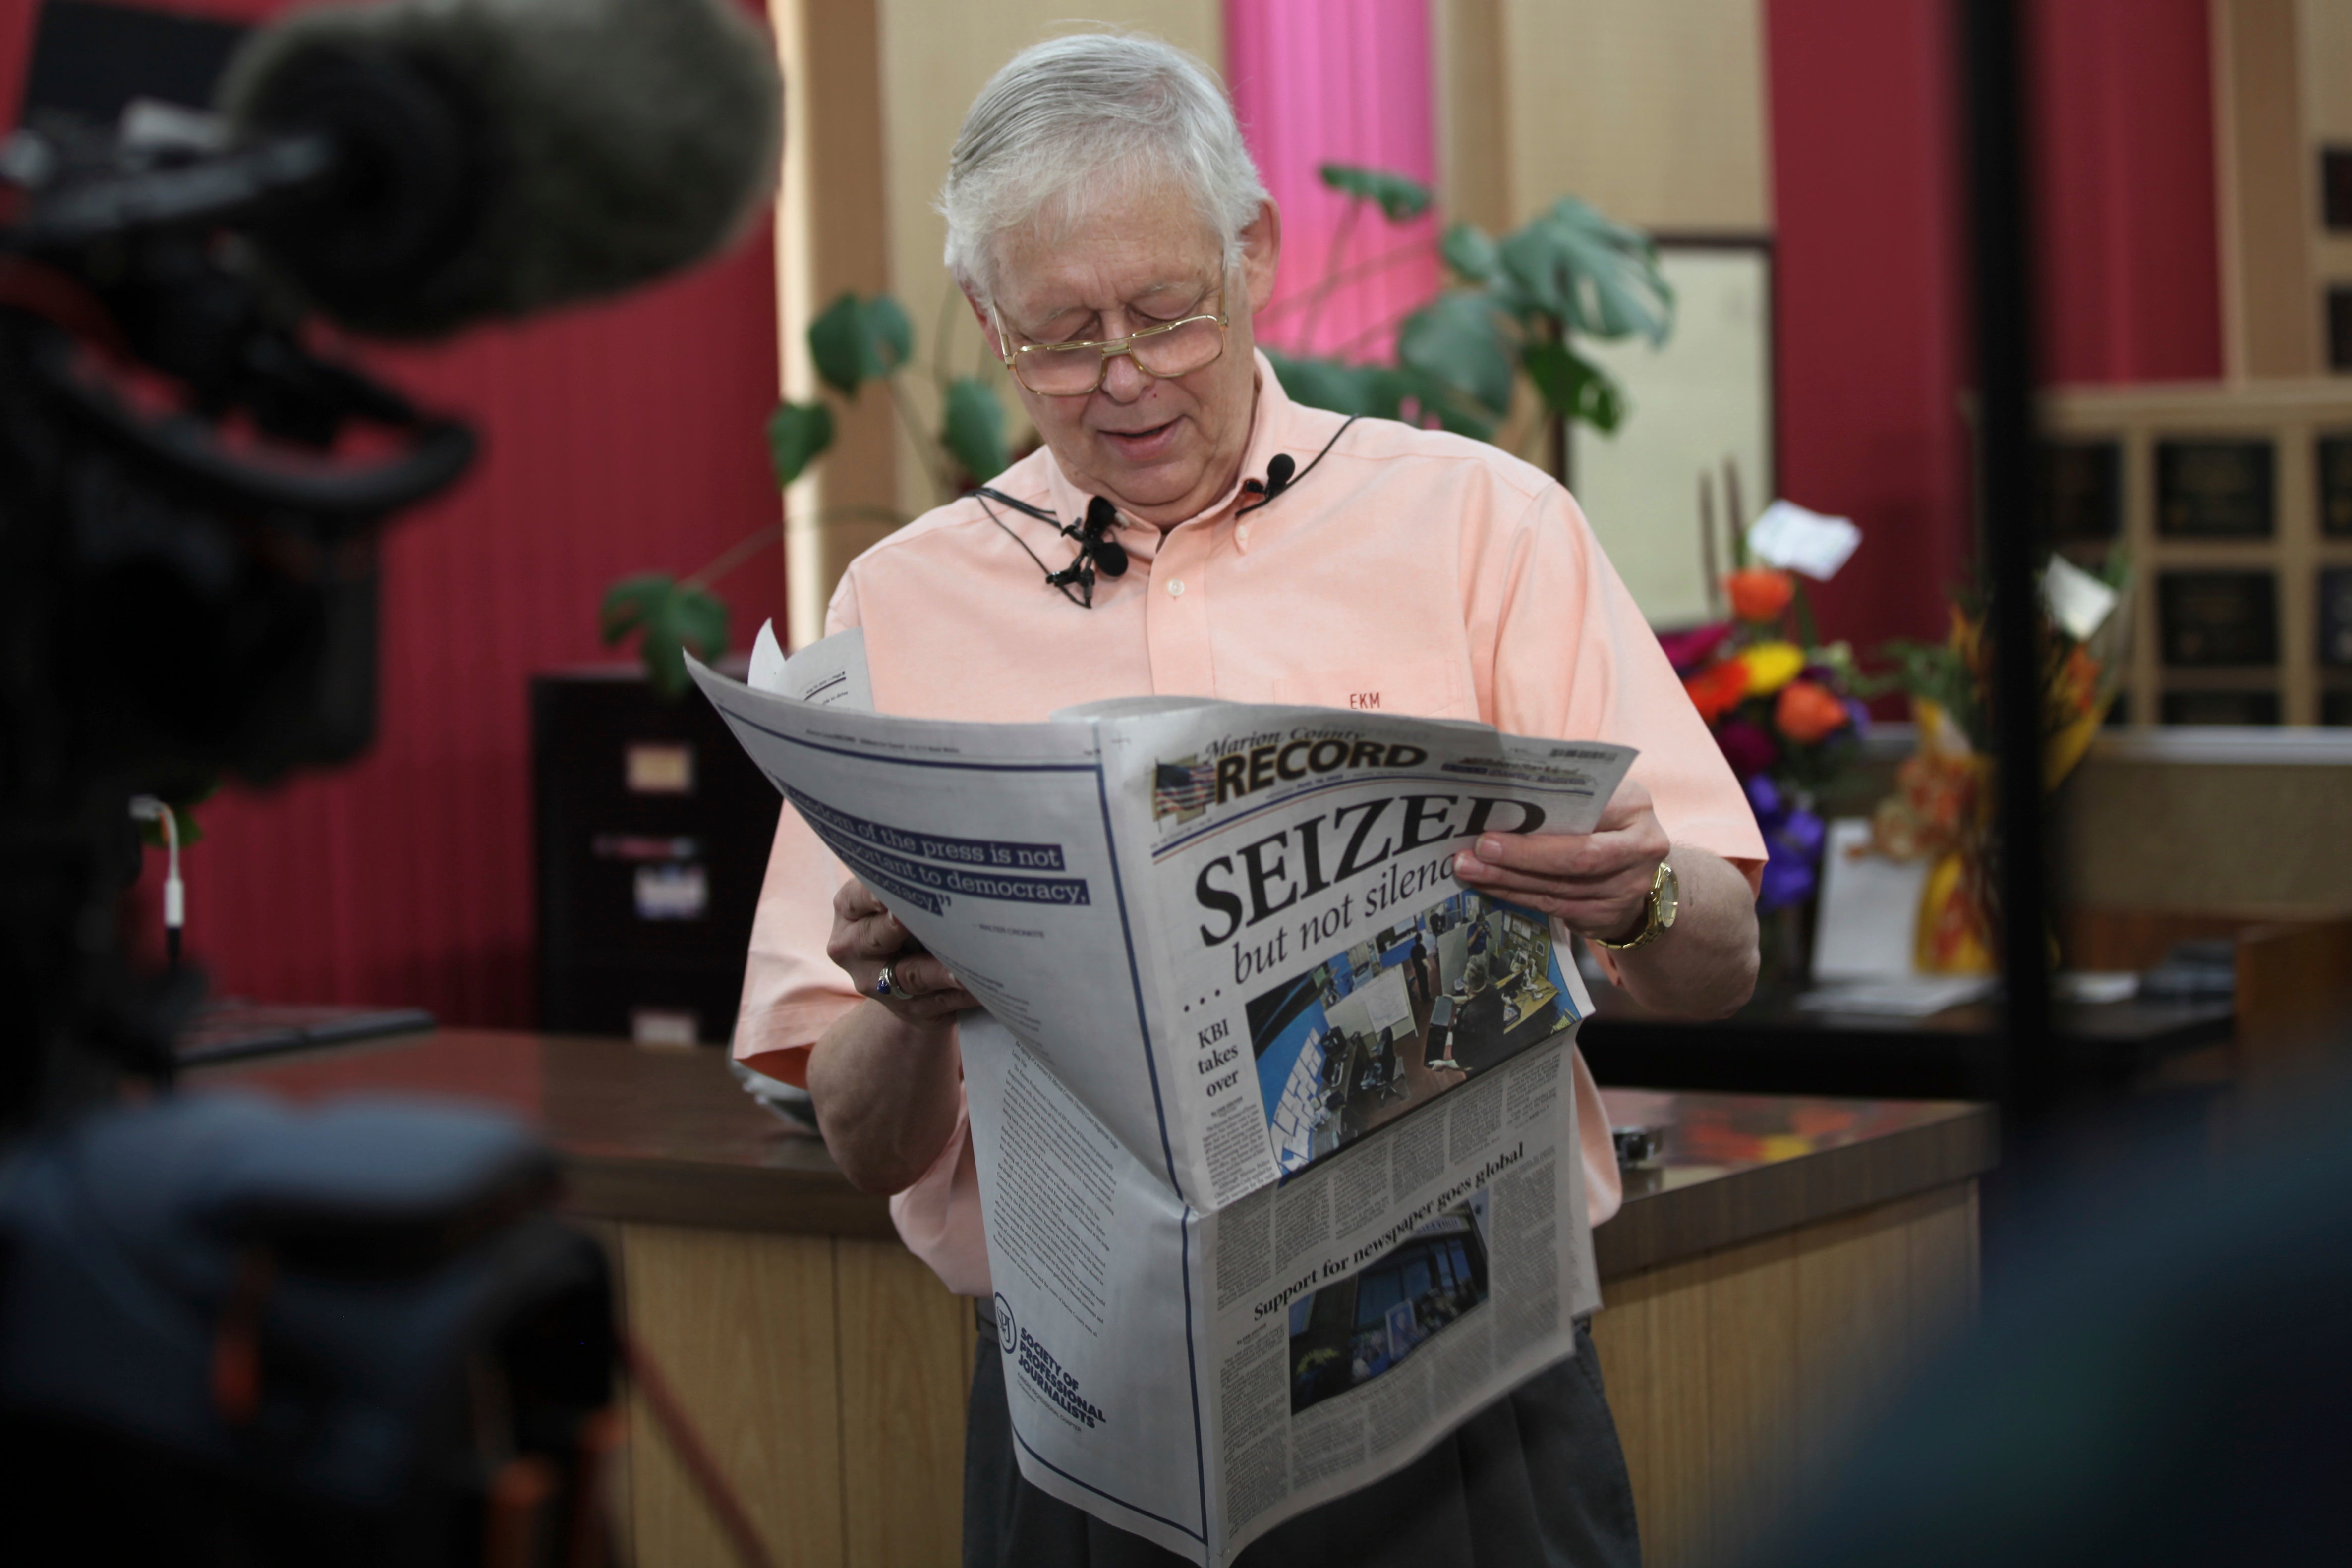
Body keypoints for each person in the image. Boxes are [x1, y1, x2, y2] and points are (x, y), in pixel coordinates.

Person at [733, 33, 1764, 1568]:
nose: (1126, 378)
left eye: (1164, 312)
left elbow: (1722, 958)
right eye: (1061, 336)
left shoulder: (1478, 525)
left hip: (1457, 1381)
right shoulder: (902, 602)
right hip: (1083, 1415)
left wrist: (1647, 893)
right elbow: (867, 1140)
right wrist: (901, 991)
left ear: (1255, 252)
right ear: (983, 322)